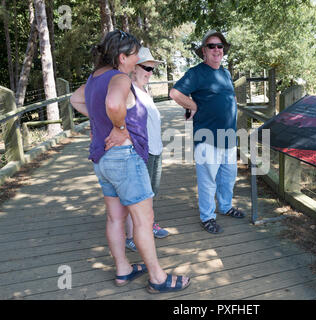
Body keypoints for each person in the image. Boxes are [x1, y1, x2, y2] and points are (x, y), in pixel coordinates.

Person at [70, 30, 190, 293]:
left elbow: (75, 99)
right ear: (123, 57)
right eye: (135, 55)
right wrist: (120, 126)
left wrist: (100, 120)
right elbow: (114, 103)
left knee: (115, 218)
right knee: (143, 220)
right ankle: (158, 278)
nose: (137, 60)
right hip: (124, 156)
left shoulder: (94, 78)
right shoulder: (119, 77)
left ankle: (123, 269)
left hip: (102, 159)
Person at [169, 30, 245, 234]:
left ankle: (226, 206)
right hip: (207, 137)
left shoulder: (226, 73)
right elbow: (175, 93)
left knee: (228, 176)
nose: (217, 50)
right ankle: (207, 216)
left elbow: (229, 99)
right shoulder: (196, 73)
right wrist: (192, 106)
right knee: (208, 180)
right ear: (204, 51)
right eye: (212, 46)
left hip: (228, 136)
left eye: (220, 46)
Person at [124, 47, 169, 252]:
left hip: (155, 149)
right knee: (138, 195)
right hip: (141, 151)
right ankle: (131, 235)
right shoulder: (129, 89)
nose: (150, 73)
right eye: (146, 68)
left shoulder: (145, 90)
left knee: (151, 192)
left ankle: (149, 224)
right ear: (135, 67)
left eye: (152, 69)